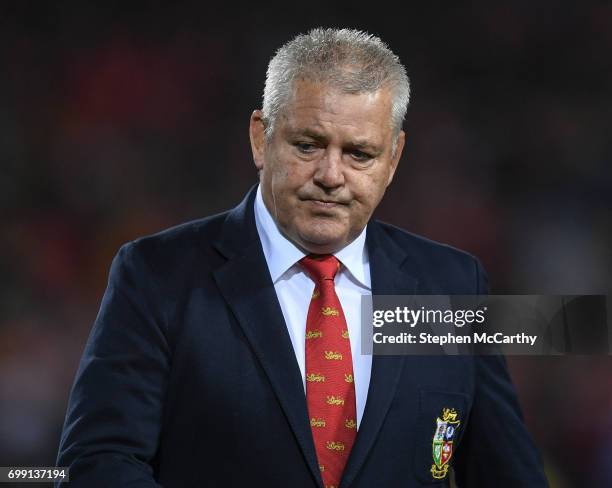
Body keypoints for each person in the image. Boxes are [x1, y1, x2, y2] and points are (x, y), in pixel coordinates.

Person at [56, 28, 548, 487]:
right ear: (259, 137)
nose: (331, 175)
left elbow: (507, 473)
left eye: (360, 154)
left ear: (394, 158)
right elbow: (99, 463)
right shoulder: (158, 275)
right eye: (308, 145)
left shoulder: (452, 284)